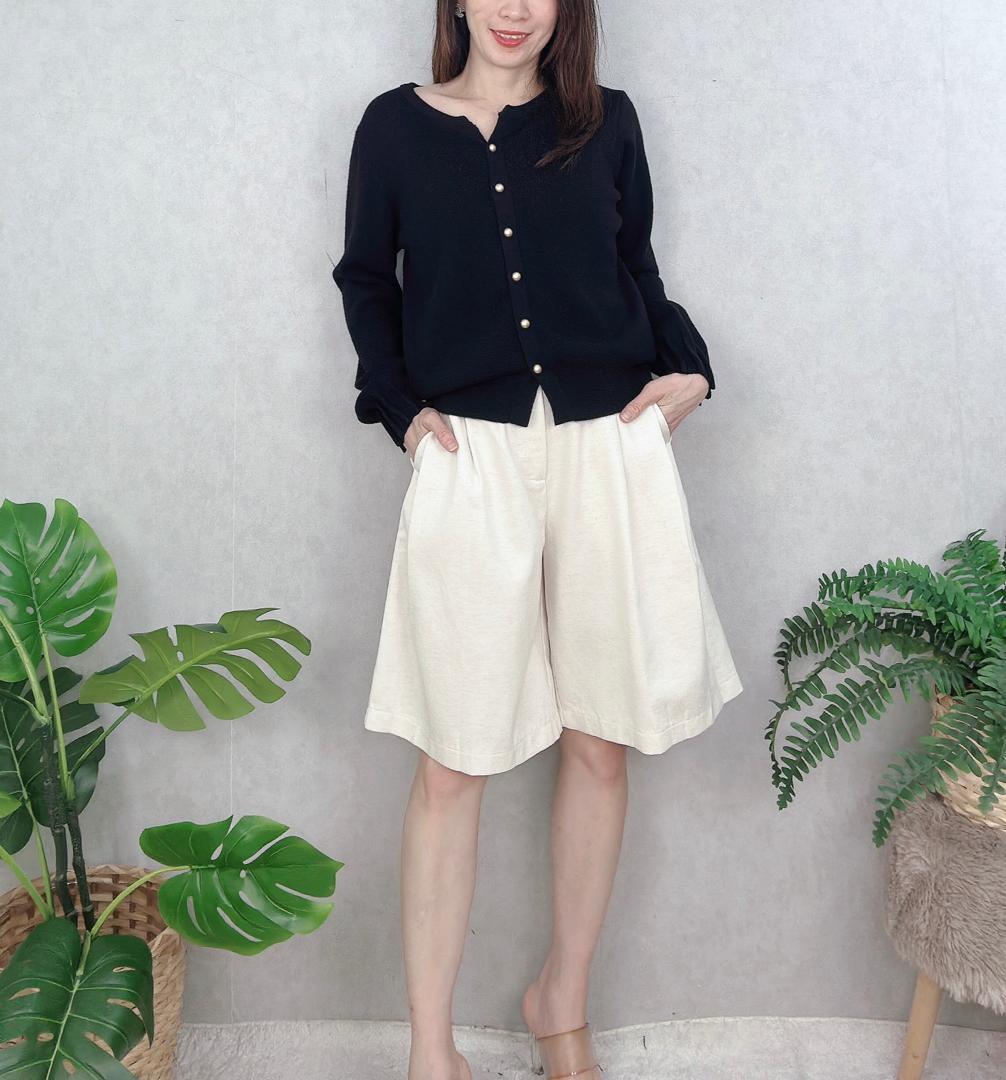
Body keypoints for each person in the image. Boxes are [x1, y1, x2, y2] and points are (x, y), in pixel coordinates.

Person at [331, 3, 744, 1077]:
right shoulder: (393, 128)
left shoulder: (605, 122)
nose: (516, 7)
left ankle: (561, 1002)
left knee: (600, 740)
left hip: (608, 446)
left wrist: (690, 373)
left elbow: (635, 267)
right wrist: (401, 412)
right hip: (470, 453)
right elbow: (367, 281)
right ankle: (432, 1051)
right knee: (451, 758)